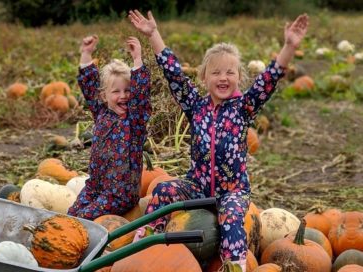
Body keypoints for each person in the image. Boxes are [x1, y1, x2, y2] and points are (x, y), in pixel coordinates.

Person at [129, 9, 309, 271]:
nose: (223, 78)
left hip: (232, 191)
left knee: (233, 216)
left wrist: (289, 47)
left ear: (238, 77)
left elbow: (268, 81)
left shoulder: (243, 107)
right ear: (204, 77)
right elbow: (174, 75)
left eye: (229, 72)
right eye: (215, 72)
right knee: (162, 190)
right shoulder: (195, 106)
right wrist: (154, 34)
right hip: (197, 187)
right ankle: (146, 242)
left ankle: (233, 266)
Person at [67, 35, 151, 220]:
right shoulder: (101, 114)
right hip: (95, 188)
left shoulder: (134, 121)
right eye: (116, 91)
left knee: (84, 219)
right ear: (104, 96)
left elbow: (141, 97)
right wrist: (87, 53)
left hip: (120, 195)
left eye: (127, 90)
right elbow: (89, 87)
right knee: (71, 215)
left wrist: (137, 60)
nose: (123, 96)